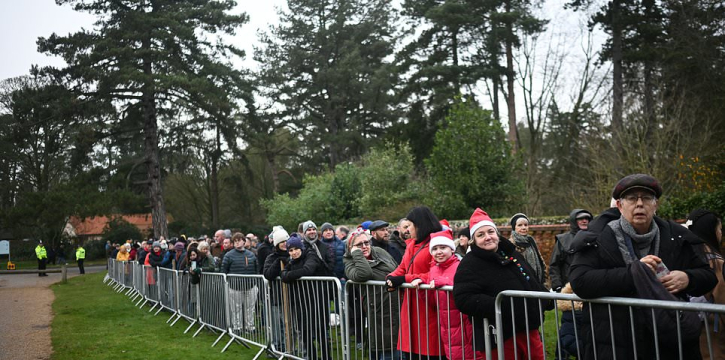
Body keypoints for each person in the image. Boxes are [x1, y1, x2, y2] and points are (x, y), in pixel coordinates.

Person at [569, 174, 717, 360]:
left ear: (655, 205)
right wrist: (635, 274)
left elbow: (709, 276)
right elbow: (580, 281)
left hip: (668, 342)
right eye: (632, 198)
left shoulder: (677, 236)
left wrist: (687, 278)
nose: (639, 204)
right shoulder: (598, 238)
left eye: (646, 198)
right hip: (616, 344)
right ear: (620, 206)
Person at [453, 208, 551, 360]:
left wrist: (545, 299)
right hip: (500, 334)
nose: (487, 237)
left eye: (490, 232)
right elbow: (463, 298)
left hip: (529, 329)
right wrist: (500, 305)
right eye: (481, 234)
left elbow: (529, 279)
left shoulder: (512, 254)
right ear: (473, 240)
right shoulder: (469, 264)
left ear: (497, 234)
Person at [386, 206, 444, 360]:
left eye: (410, 225)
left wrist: (404, 279)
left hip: (428, 304)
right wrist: (391, 277)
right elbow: (403, 267)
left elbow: (435, 273)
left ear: (419, 225)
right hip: (411, 304)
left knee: (428, 349)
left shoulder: (437, 243)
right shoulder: (411, 244)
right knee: (411, 350)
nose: (407, 229)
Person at [344, 227, 400, 360]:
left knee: (400, 347)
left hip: (396, 304)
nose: (364, 246)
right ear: (351, 247)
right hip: (379, 311)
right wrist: (356, 253)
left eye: (366, 242)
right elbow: (364, 274)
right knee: (388, 349)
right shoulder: (350, 262)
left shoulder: (379, 251)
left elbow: (396, 267)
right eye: (359, 244)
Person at [280, 234, 331, 360]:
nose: (294, 252)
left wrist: (289, 275)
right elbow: (283, 275)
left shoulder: (311, 255)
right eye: (290, 250)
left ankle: (326, 357)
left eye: (296, 249)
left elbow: (308, 270)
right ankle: (312, 357)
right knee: (305, 333)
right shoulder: (291, 261)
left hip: (316, 300)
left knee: (320, 332)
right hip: (300, 302)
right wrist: (288, 275)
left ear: (301, 247)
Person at [427, 229, 475, 360]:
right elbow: (432, 302)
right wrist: (422, 288)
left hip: (464, 324)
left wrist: (445, 282)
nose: (439, 252)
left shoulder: (461, 266)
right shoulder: (433, 270)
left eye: (443, 247)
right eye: (435, 248)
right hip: (447, 327)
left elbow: (464, 289)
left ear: (452, 249)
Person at [686, 209, 724, 359]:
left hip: (684, 332)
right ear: (710, 230)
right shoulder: (716, 263)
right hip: (711, 338)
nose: (721, 233)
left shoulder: (683, 255)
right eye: (719, 229)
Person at [222, 232, 259, 332]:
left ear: (244, 241)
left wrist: (256, 282)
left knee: (250, 308)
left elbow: (257, 269)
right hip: (235, 286)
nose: (237, 243)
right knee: (236, 308)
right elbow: (224, 271)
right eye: (235, 241)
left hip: (251, 285)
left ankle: (250, 327)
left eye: (239, 240)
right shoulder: (228, 255)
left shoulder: (251, 254)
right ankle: (237, 327)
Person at [550, 209, 593, 293]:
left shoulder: (595, 238)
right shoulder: (563, 240)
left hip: (591, 284)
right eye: (580, 219)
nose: (584, 221)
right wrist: (557, 285)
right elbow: (555, 265)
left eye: (586, 218)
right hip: (569, 286)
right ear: (574, 221)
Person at [263, 226, 290, 353]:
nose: (285, 244)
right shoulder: (271, 257)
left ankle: (291, 348)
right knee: (277, 325)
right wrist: (278, 262)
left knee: (291, 325)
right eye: (281, 242)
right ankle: (277, 348)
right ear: (276, 244)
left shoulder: (294, 254)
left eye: (286, 241)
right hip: (277, 296)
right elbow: (267, 274)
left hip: (293, 297)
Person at [509, 213, 547, 286]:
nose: (524, 228)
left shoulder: (531, 241)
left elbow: (540, 261)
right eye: (520, 225)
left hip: (537, 282)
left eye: (526, 225)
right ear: (514, 227)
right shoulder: (511, 244)